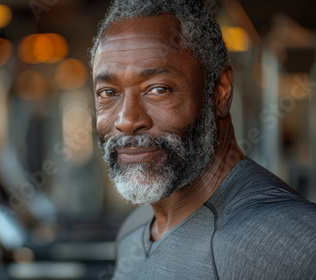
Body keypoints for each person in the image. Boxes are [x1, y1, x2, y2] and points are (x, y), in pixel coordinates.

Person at [89, 0, 316, 279]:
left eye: (158, 89)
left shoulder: (288, 243)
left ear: (220, 92)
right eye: (108, 92)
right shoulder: (134, 230)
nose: (126, 120)